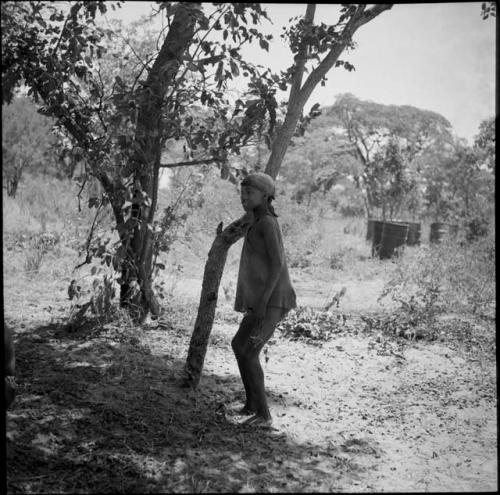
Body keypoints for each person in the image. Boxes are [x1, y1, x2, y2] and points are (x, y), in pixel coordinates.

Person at [232, 172, 296, 427]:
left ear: (265, 196)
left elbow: (277, 263)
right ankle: (251, 404)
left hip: (273, 300)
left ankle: (264, 416)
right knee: (239, 345)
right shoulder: (256, 221)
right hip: (262, 299)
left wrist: (261, 303)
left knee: (250, 352)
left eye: (249, 193)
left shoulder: (267, 222)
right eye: (242, 192)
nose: (243, 197)